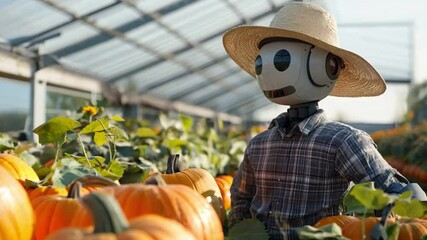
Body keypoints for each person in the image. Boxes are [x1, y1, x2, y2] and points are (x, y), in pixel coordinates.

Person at [222, 2, 426, 239]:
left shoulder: (343, 141)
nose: (267, 71)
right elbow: (241, 197)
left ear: (327, 67)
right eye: (262, 62)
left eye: (281, 60)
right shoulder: (258, 144)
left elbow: (395, 192)